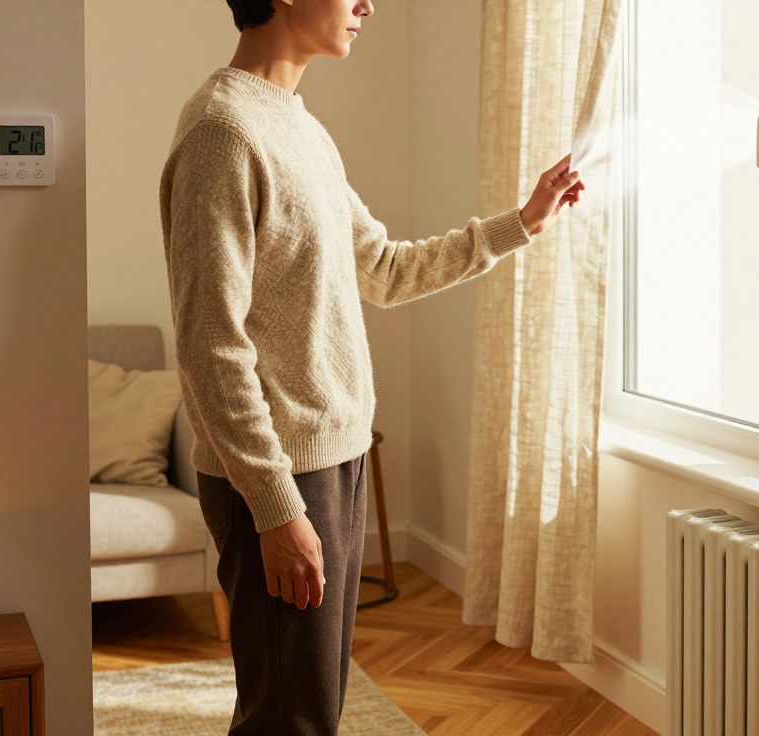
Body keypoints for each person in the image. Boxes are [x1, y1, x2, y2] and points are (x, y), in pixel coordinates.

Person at [157, 0, 585, 732]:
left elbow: (383, 268)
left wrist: (521, 224)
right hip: (283, 477)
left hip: (337, 461)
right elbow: (209, 343)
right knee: (288, 717)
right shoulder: (220, 133)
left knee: (307, 705)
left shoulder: (301, 129)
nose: (369, 5)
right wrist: (276, 504)